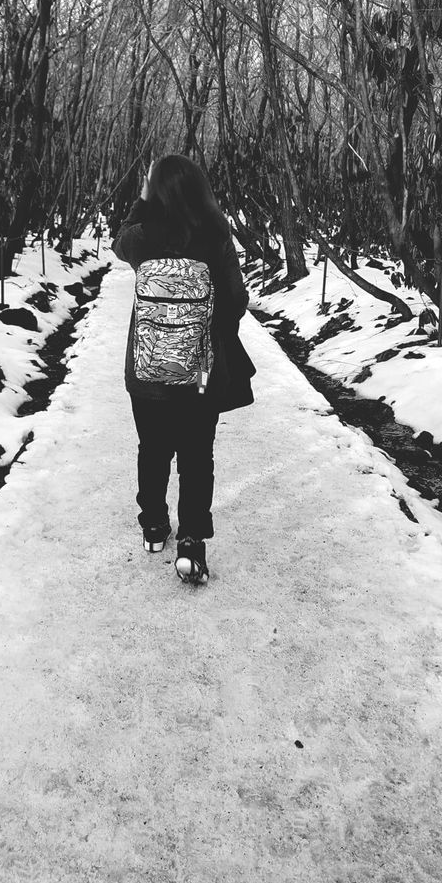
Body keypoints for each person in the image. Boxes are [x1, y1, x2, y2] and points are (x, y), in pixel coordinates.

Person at [112, 154, 254, 584]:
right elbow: (236, 299)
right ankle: (192, 541)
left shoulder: (143, 237)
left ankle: (154, 527)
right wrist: (208, 337)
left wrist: (141, 198)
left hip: (147, 368)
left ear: (154, 191)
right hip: (200, 375)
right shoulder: (214, 234)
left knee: (152, 448)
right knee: (197, 456)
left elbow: (118, 241)